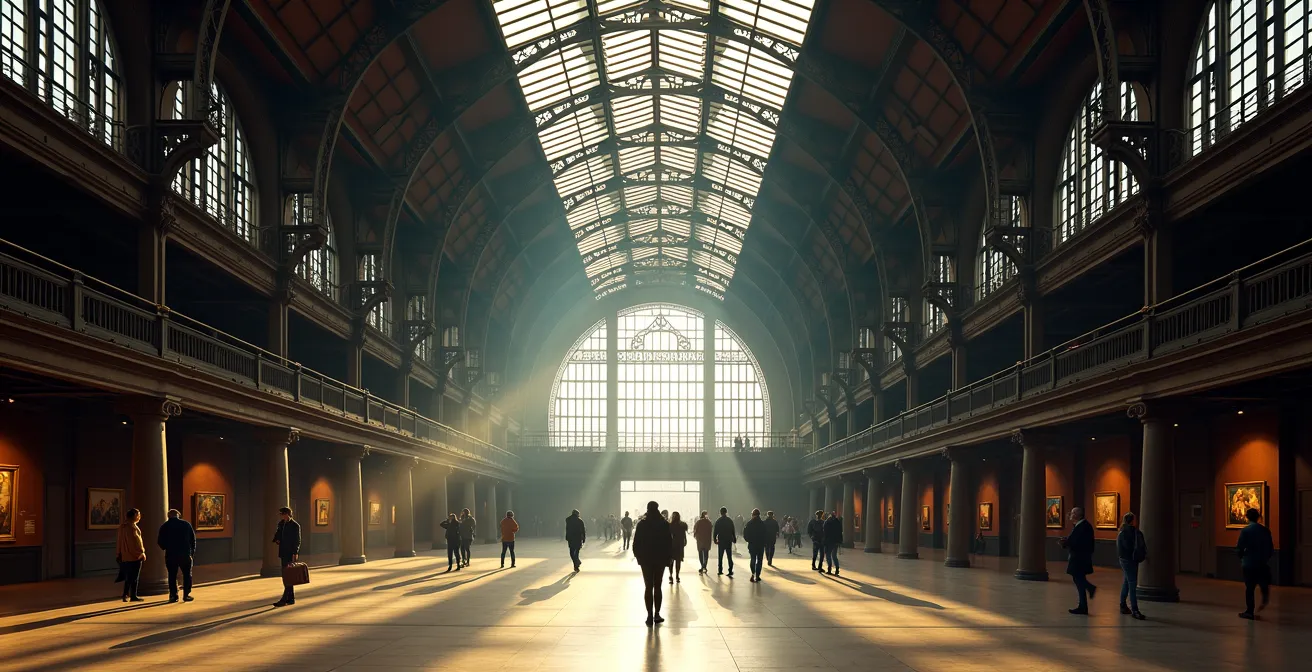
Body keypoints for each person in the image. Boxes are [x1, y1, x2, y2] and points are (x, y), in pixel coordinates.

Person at [632, 501, 673, 625]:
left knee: (648, 587)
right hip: (660, 559)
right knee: (658, 586)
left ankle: (649, 615)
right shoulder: (664, 524)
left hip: (646, 560)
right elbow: (669, 543)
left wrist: (639, 557)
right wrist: (668, 558)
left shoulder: (642, 524)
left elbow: (636, 544)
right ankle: (657, 614)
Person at [1237, 507, 1274, 620]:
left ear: (1247, 517)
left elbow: (1240, 548)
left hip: (1249, 563)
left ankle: (1249, 611)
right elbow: (1270, 548)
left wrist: (1242, 558)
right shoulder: (1265, 530)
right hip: (1262, 562)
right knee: (1263, 581)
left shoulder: (1246, 531)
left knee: (1249, 588)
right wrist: (1265, 558)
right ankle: (1265, 596)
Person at [1061, 506, 1096, 615]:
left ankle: (1089, 591)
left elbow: (1079, 543)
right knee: (1078, 580)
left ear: (1077, 515)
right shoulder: (1080, 526)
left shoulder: (1083, 527)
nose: (1070, 515)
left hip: (1079, 559)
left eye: (1072, 513)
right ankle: (1083, 605)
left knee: (1079, 580)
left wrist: (1066, 543)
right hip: (1079, 558)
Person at [157, 508, 196, 602]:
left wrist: (166, 547)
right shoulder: (186, 525)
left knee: (172, 575)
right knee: (187, 574)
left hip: (171, 554)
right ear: (178, 515)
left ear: (168, 516)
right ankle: (186, 594)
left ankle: (173, 595)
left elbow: (160, 541)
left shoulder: (164, 526)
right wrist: (191, 553)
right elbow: (193, 540)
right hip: (185, 554)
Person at [1116, 512, 1147, 620]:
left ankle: (1123, 605)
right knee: (1132, 584)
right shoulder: (1134, 532)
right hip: (1131, 560)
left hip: (1123, 559)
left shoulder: (1121, 531)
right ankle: (1135, 610)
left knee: (1127, 582)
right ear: (1133, 520)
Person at [116, 508, 146, 602]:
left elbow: (119, 542)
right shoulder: (132, 528)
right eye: (138, 514)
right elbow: (136, 543)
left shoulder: (122, 527)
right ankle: (133, 595)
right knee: (134, 577)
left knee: (128, 576)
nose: (139, 516)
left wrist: (118, 553)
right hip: (134, 556)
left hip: (125, 555)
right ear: (134, 516)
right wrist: (141, 553)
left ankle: (125, 594)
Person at [273, 507, 301, 607]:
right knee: (286, 575)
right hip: (283, 551)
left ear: (288, 514)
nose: (281, 516)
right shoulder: (281, 524)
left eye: (282, 514)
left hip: (290, 552)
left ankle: (284, 599)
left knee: (287, 575)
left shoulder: (295, 525)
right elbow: (278, 534)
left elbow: (297, 540)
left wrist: (295, 552)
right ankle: (291, 598)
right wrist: (276, 539)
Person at [742, 509, 767, 582]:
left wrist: (748, 540)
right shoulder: (762, 524)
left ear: (752, 514)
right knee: (759, 560)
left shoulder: (749, 523)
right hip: (760, 545)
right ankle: (758, 575)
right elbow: (765, 534)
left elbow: (745, 534)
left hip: (752, 544)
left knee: (753, 559)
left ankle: (753, 574)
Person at [713, 507, 736, 577]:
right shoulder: (730, 520)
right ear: (726, 512)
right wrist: (734, 538)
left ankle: (720, 570)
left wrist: (714, 539)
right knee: (729, 556)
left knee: (720, 556)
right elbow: (733, 530)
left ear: (720, 512)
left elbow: (715, 531)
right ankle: (730, 570)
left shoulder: (718, 521)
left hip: (721, 540)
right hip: (728, 540)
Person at [669, 511, 688, 584]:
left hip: (672, 544)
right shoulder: (683, 525)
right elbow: (684, 534)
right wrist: (685, 541)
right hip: (679, 545)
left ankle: (671, 575)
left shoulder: (670, 525)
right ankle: (677, 575)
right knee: (678, 561)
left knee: (671, 561)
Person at [822, 510, 843, 575]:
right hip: (836, 541)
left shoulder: (827, 522)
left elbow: (825, 532)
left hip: (829, 541)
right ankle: (837, 569)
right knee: (834, 555)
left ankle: (829, 569)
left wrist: (824, 541)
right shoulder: (838, 522)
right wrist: (840, 541)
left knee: (828, 554)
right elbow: (840, 532)